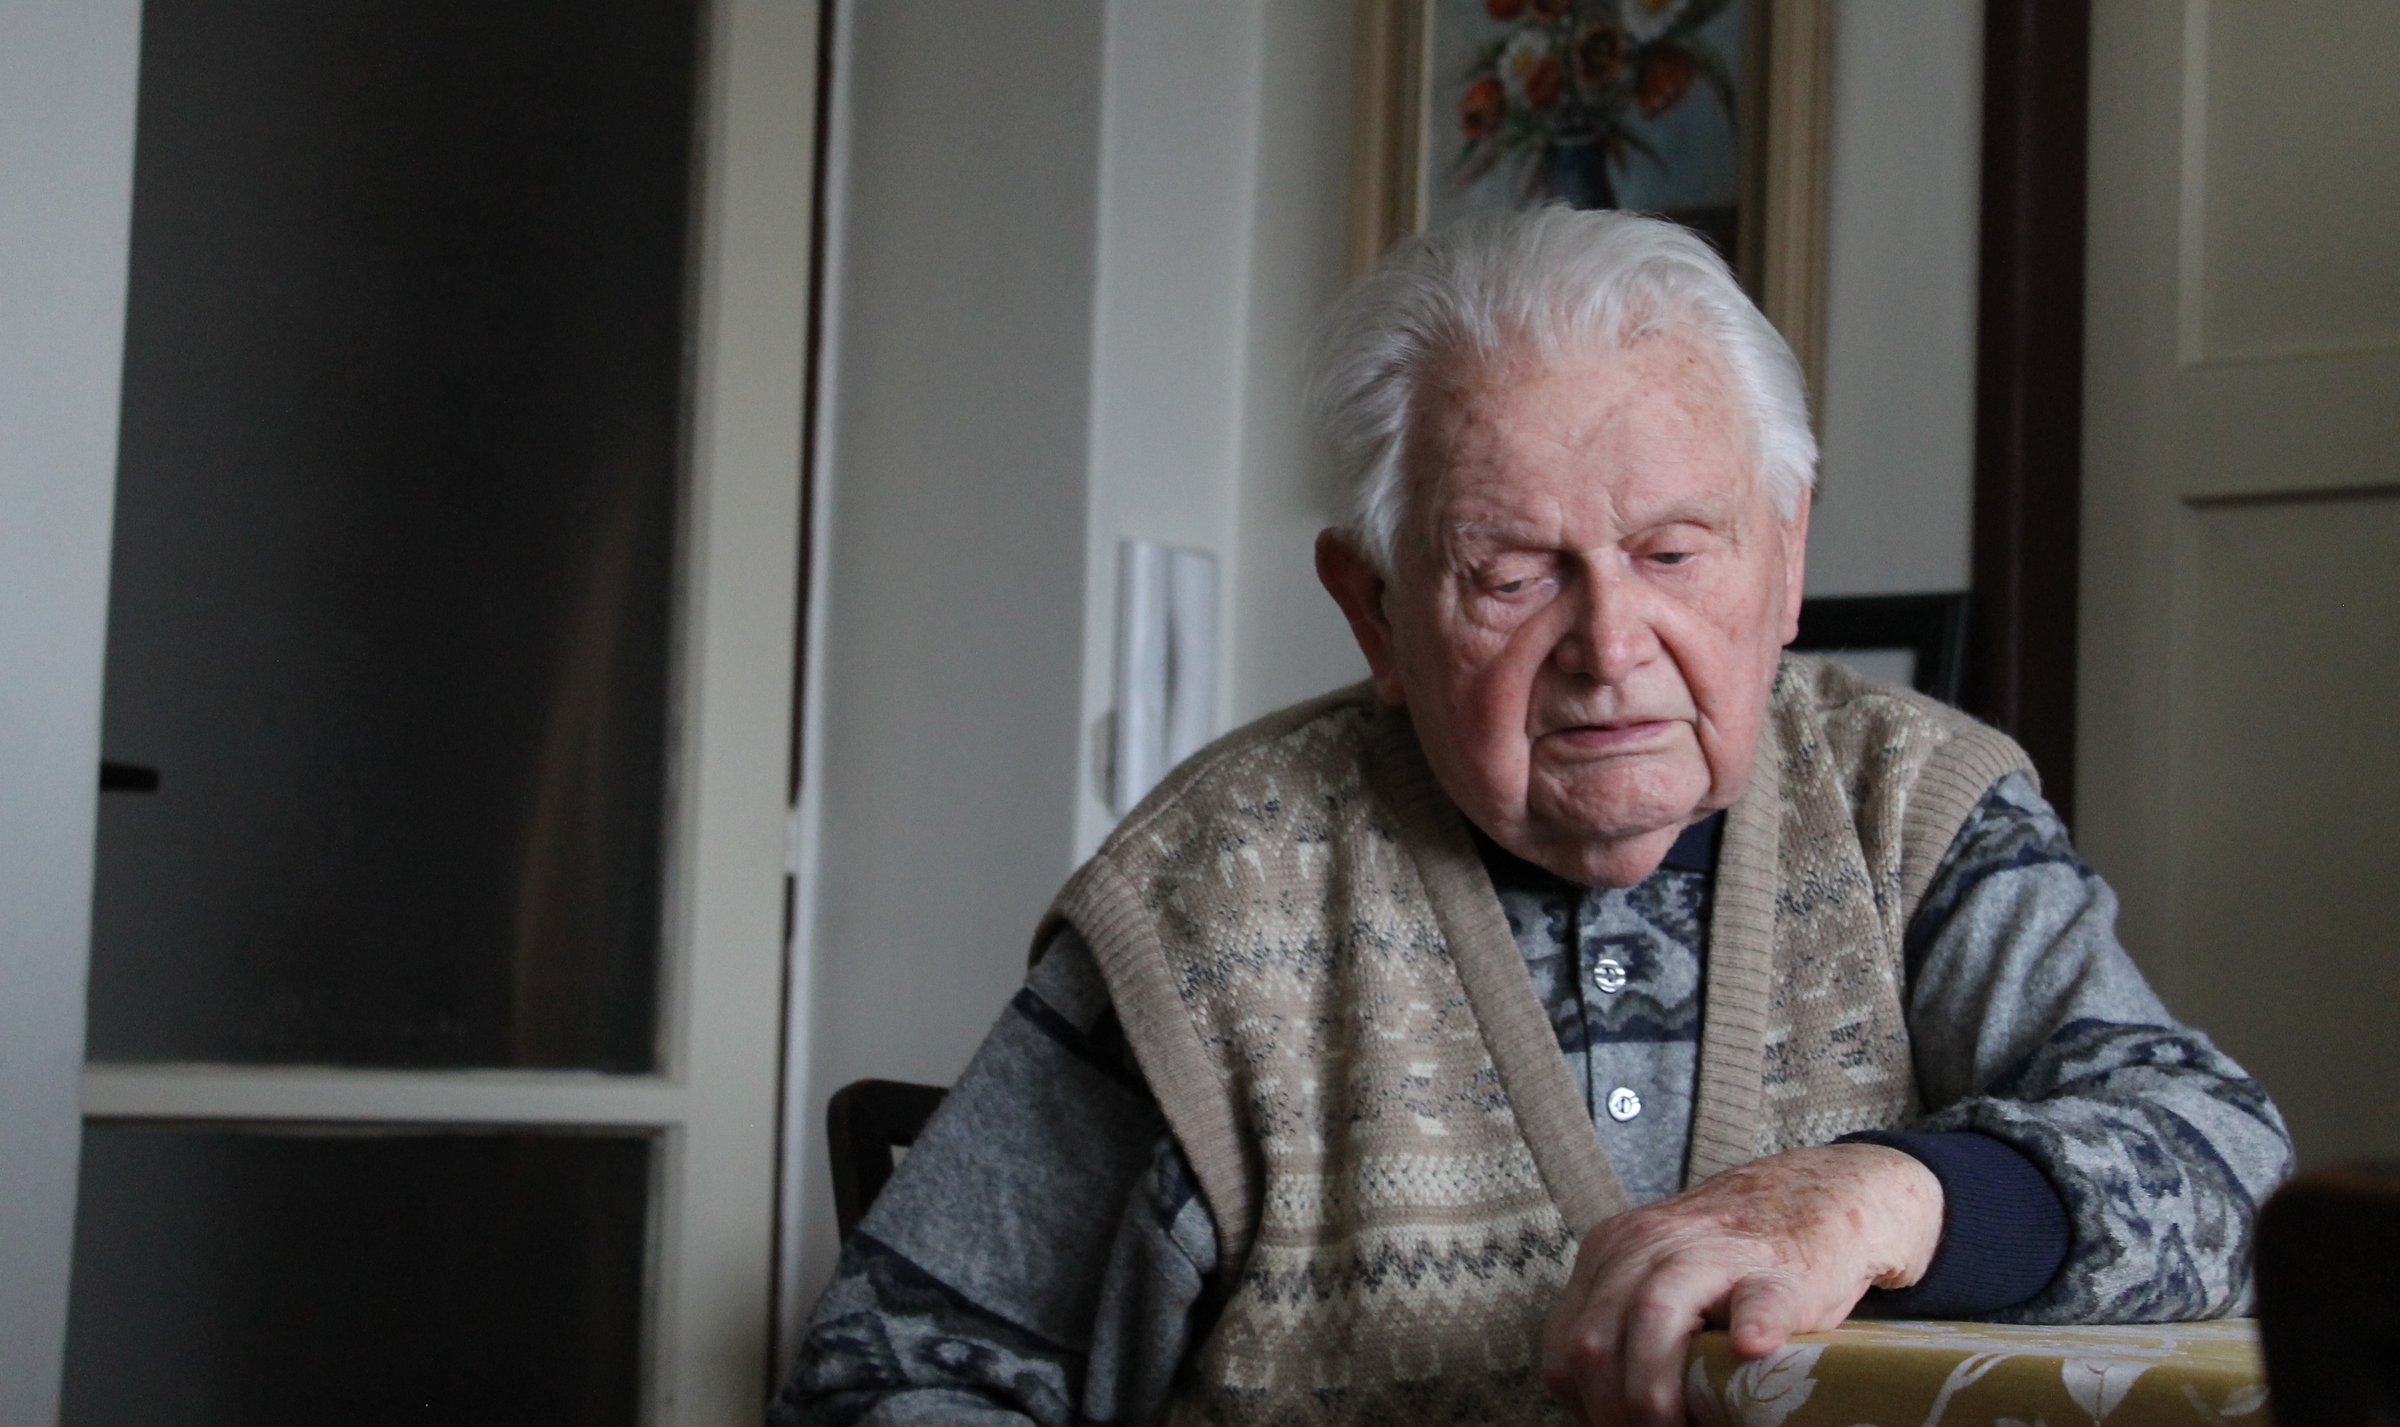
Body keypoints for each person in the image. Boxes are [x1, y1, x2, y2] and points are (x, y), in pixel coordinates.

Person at [772, 209, 2292, 1427]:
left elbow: (2229, 1174)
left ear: (1787, 556)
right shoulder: (1210, 901)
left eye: (1674, 553)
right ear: (1374, 609)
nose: (1610, 646)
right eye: (1510, 575)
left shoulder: (1914, 811)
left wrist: (1890, 1197)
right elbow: (885, 1381)